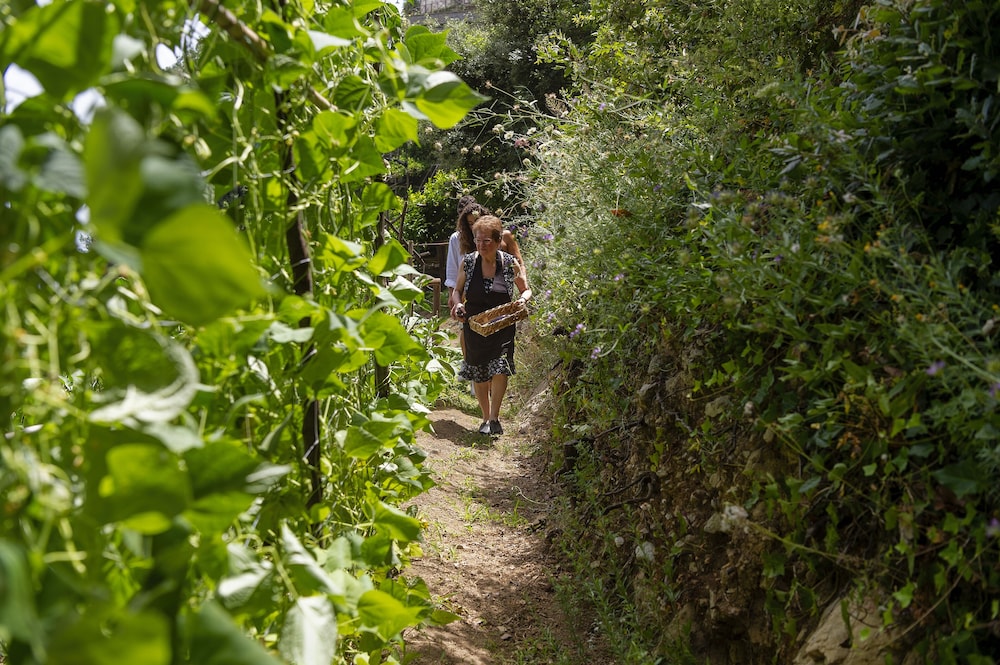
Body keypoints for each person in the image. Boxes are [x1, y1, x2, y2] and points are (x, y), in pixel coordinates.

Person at [451, 215, 532, 436]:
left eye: (487, 241)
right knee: (479, 371)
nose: (481, 245)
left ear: (498, 241)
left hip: (503, 325)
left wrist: (522, 300)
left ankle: (495, 418)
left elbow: (526, 289)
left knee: (500, 367)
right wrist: (458, 305)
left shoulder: (508, 263)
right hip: (475, 325)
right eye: (478, 240)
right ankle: (484, 417)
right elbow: (457, 291)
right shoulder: (468, 262)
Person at [445, 198, 527, 356]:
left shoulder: (504, 237)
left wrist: (523, 290)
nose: (472, 226)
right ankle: (471, 365)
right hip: (471, 294)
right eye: (469, 223)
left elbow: (519, 265)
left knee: (498, 330)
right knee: (470, 331)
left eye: (476, 221)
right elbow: (454, 270)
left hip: (501, 290)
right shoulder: (459, 239)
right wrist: (454, 297)